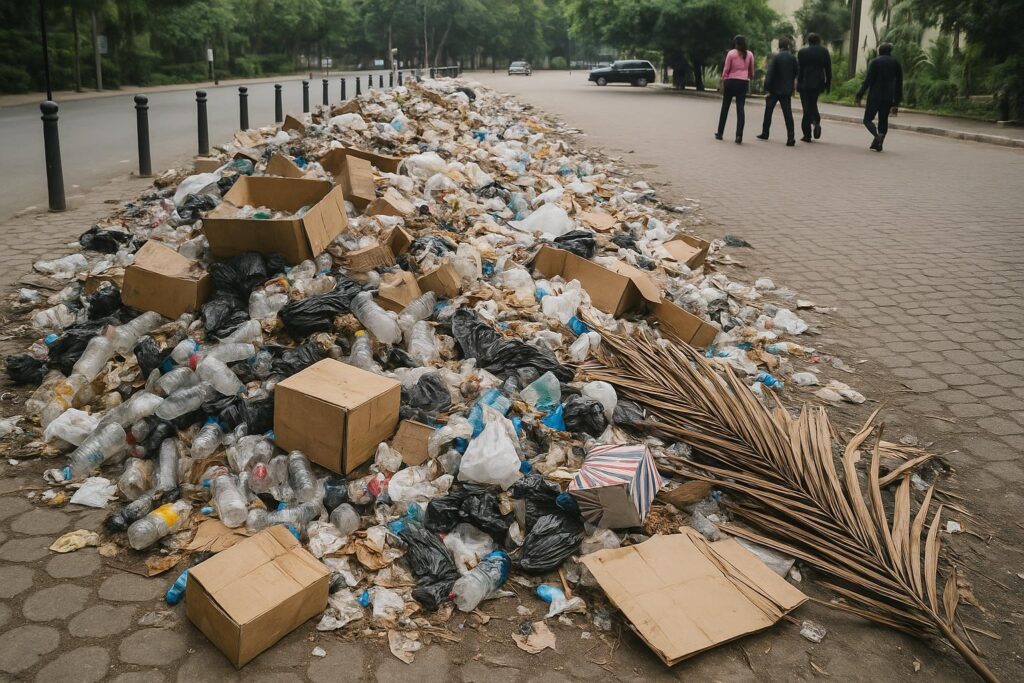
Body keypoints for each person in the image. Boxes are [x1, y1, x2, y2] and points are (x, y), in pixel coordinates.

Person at [856, 42, 903, 151]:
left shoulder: (875, 62)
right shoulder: (896, 63)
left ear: (879, 51)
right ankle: (879, 141)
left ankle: (877, 136)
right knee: (883, 119)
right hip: (888, 96)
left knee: (867, 119)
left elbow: (868, 80)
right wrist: (897, 101)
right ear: (890, 51)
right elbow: (899, 83)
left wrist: (859, 94)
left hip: (875, 95)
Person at [757, 37, 799, 146]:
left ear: (779, 46)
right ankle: (791, 137)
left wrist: (767, 88)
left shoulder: (775, 58)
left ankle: (765, 132)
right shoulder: (792, 58)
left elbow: (770, 74)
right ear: (788, 46)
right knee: (788, 113)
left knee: (768, 111)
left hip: (774, 90)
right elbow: (797, 72)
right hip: (786, 90)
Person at [716, 35, 754, 144]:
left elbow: (726, 69)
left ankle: (720, 133)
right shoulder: (750, 54)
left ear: (736, 43)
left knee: (725, 107)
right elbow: (751, 71)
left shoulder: (731, 53)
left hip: (731, 82)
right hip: (742, 83)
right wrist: (749, 77)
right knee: (740, 108)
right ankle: (739, 135)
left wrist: (723, 80)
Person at [797, 33, 832, 142]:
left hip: (805, 83)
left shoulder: (802, 52)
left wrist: (798, 83)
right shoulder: (824, 51)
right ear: (818, 41)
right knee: (812, 104)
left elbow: (800, 70)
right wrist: (828, 84)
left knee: (806, 107)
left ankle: (807, 134)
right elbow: (828, 69)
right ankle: (816, 121)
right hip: (818, 82)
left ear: (808, 41)